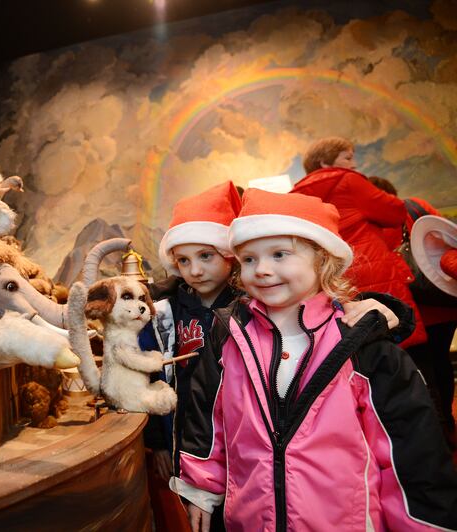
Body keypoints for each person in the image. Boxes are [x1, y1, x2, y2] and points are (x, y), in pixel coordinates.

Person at [173, 188, 457, 532]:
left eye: (279, 254)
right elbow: (208, 417)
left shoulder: (362, 345)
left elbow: (408, 450)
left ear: (323, 260)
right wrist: (202, 486)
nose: (261, 269)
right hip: (252, 519)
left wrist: (422, 524)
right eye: (248, 259)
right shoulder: (229, 336)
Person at [140, 181, 242, 532]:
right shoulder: (165, 315)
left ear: (230, 255)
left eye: (206, 256)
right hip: (182, 441)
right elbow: (149, 376)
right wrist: (158, 443)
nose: (194, 270)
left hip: (236, 445)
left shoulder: (248, 310)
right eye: (183, 260)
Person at [291, 137, 427, 349]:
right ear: (325, 162)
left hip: (332, 277)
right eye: (347, 158)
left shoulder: (297, 195)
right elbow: (395, 212)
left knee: (354, 345)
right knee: (397, 338)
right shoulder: (349, 181)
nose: (354, 164)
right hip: (371, 267)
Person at [367, 176, 457, 445]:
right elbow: (449, 237)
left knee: (424, 368)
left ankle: (440, 428)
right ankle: (448, 424)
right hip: (441, 299)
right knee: (440, 362)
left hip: (414, 308)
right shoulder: (416, 207)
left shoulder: (371, 223)